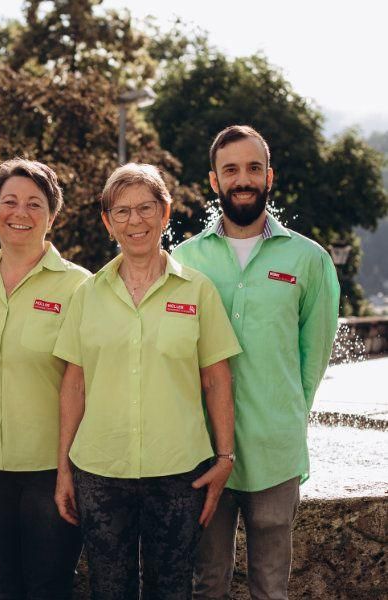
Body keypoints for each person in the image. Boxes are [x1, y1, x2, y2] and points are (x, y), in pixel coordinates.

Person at [53, 163, 242, 600]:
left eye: (145, 208)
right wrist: (64, 468)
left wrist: (225, 458)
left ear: (165, 212)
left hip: (179, 472)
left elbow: (217, 380)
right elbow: (74, 386)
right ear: (108, 222)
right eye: (121, 211)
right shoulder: (87, 294)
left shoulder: (197, 290)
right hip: (100, 473)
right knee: (109, 589)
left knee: (171, 589)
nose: (134, 221)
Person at [172, 125, 340, 600]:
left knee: (271, 587)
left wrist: (287, 416)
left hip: (274, 451)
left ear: (269, 176)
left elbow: (313, 358)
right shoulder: (184, 260)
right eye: (230, 170)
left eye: (252, 168)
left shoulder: (309, 260)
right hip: (202, 449)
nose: (242, 179)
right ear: (214, 180)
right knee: (208, 584)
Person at [0, 159, 88, 599]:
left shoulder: (80, 288)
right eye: (9, 201)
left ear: (52, 216)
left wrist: (68, 469)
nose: (20, 213)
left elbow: (87, 383)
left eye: (35, 204)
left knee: (48, 588)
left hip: (50, 470)